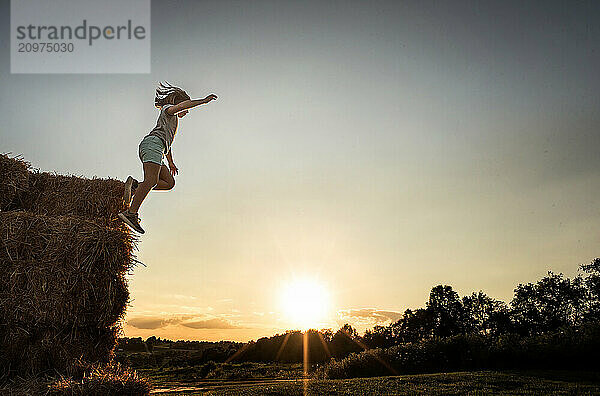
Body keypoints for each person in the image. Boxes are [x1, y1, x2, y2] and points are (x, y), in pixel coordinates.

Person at [118, 81, 217, 233]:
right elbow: (180, 108)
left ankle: (136, 187)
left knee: (169, 183)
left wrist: (171, 162)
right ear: (180, 103)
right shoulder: (168, 111)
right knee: (151, 180)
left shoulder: (173, 121)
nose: (187, 110)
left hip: (158, 148)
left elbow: (167, 145)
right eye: (186, 106)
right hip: (152, 145)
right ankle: (130, 213)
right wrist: (203, 101)